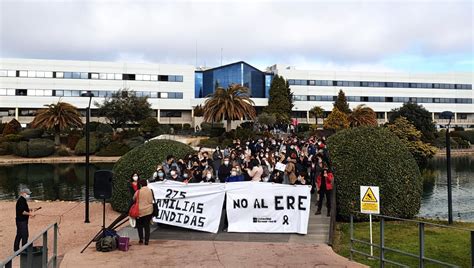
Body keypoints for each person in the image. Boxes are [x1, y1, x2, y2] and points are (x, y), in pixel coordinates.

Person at [133, 180, 154, 245]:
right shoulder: (150, 191)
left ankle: (141, 239)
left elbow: (134, 199)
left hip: (140, 211)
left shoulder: (138, 191)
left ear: (141, 185)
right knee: (147, 226)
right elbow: (151, 200)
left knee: (139, 226)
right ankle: (147, 241)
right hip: (148, 211)